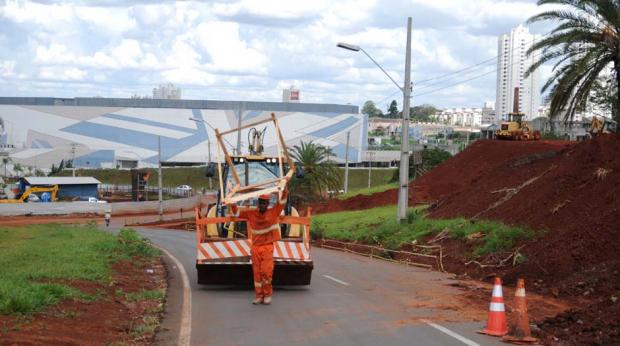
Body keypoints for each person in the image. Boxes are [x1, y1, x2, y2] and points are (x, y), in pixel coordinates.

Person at [227, 187, 288, 305]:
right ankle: (259, 296)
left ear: (268, 203)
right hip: (255, 247)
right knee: (257, 273)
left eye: (265, 203)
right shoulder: (251, 213)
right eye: (261, 202)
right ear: (258, 203)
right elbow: (236, 213)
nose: (262, 205)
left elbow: (282, 202)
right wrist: (232, 200)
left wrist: (284, 189)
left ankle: (267, 294)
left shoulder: (273, 212)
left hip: (267, 246)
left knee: (266, 272)